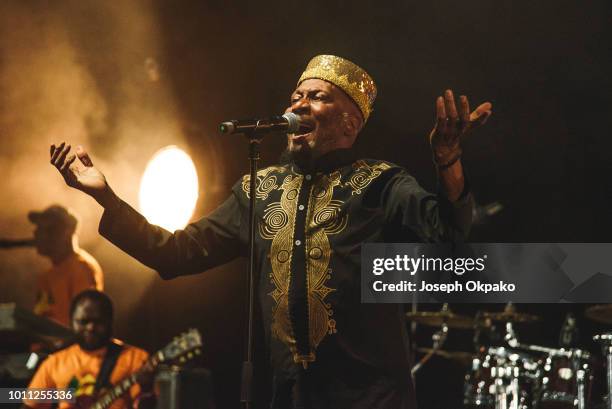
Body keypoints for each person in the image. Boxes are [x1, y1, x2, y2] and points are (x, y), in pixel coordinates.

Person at [48, 55, 492, 408]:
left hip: (372, 399)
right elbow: (176, 254)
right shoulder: (261, 190)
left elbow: (449, 238)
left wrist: (447, 159)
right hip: (290, 397)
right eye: (295, 96)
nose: (298, 105)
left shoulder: (380, 182)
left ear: (350, 123)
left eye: (317, 97)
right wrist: (106, 197)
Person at [23, 290, 154, 409]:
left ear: (110, 321)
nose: (90, 328)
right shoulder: (55, 363)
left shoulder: (135, 358)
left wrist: (146, 388)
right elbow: (30, 405)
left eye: (98, 322)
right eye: (83, 321)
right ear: (71, 322)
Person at [29, 204, 103, 327]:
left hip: (70, 346)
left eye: (43, 228)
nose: (35, 232)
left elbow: (84, 325)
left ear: (65, 232)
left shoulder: (82, 268)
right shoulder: (46, 276)